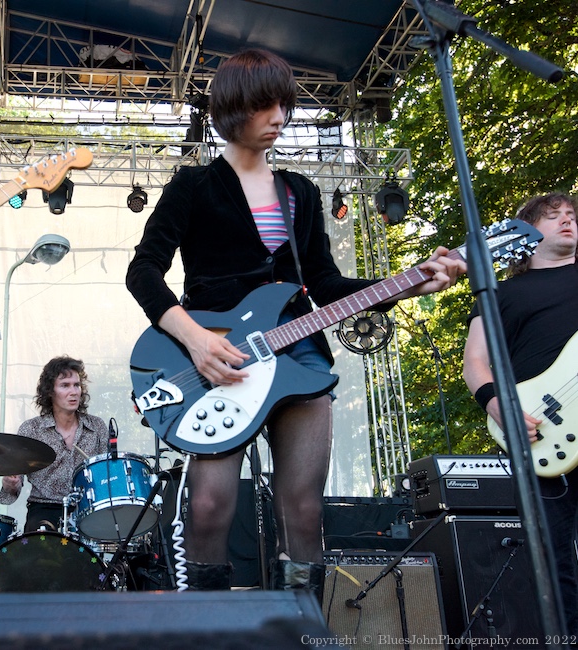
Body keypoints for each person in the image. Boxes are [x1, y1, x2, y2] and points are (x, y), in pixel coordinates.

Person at [125, 48, 464, 594]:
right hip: (215, 357)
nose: (279, 116)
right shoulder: (193, 186)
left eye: (283, 103)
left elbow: (326, 285)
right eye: (265, 105)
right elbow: (143, 273)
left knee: (304, 511)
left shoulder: (300, 193)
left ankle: (304, 629)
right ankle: (207, 631)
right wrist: (195, 341)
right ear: (234, 109)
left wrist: (409, 282)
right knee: (210, 506)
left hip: (299, 353)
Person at [462, 191, 578, 637]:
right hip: (543, 432)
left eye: (571, 215)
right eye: (553, 217)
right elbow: (476, 362)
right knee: (553, 560)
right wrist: (500, 407)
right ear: (527, 233)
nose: (567, 220)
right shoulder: (502, 294)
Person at [0, 356, 109, 532]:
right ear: (50, 391)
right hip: (43, 509)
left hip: (86, 510)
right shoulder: (31, 429)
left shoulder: (97, 427)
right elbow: (12, 490)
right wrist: (10, 484)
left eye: (77, 385)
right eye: (65, 385)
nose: (73, 391)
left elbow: (106, 476)